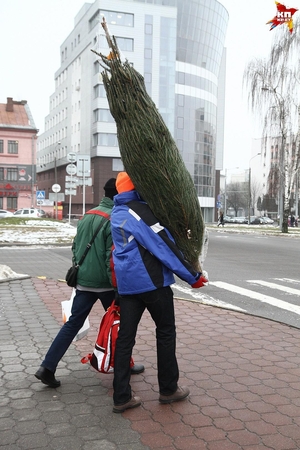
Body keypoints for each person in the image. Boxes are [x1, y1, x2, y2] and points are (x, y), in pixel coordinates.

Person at [111, 172, 208, 413]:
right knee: (165, 332)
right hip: (152, 283)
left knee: (125, 339)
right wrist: (193, 277)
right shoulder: (140, 212)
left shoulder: (118, 211)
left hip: (127, 285)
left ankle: (121, 396)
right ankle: (168, 389)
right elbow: (164, 247)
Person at [35, 178, 144, 388]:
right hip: (106, 285)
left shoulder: (88, 215)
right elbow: (111, 258)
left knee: (72, 325)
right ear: (120, 195)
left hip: (83, 282)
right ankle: (125, 365)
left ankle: (46, 367)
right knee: (120, 325)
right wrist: (118, 287)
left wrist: (81, 271)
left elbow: (75, 246)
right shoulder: (115, 218)